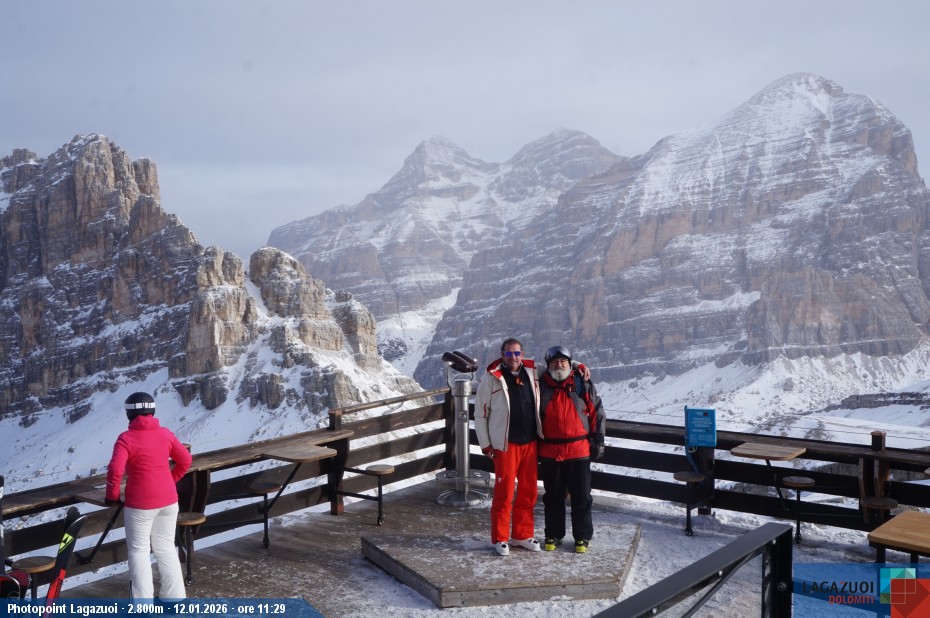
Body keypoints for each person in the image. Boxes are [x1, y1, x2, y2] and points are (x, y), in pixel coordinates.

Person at [106, 392, 192, 600]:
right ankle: (174, 599)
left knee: (139, 552)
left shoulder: (126, 439)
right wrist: (169, 481)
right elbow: (186, 461)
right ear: (152, 411)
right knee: (166, 548)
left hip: (139, 504)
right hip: (169, 500)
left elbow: (115, 471)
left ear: (129, 414)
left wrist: (113, 496)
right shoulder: (166, 434)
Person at [474, 337, 543, 556]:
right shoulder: (491, 378)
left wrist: (578, 365)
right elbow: (480, 414)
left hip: (530, 443)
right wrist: (485, 444)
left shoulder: (533, 372)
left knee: (529, 491)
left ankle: (522, 535)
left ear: (523, 354)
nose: (513, 357)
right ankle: (500, 538)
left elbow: (558, 367)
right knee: (504, 493)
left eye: (517, 353)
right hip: (505, 445)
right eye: (509, 353)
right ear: (502, 355)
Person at [537, 345, 606, 554]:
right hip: (550, 451)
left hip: (578, 450)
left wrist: (598, 439)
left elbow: (596, 411)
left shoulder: (581, 383)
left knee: (582, 496)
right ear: (547, 365)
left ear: (569, 364)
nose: (559, 365)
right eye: (554, 362)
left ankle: (582, 536)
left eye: (563, 362)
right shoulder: (540, 384)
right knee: (553, 496)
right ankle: (554, 534)